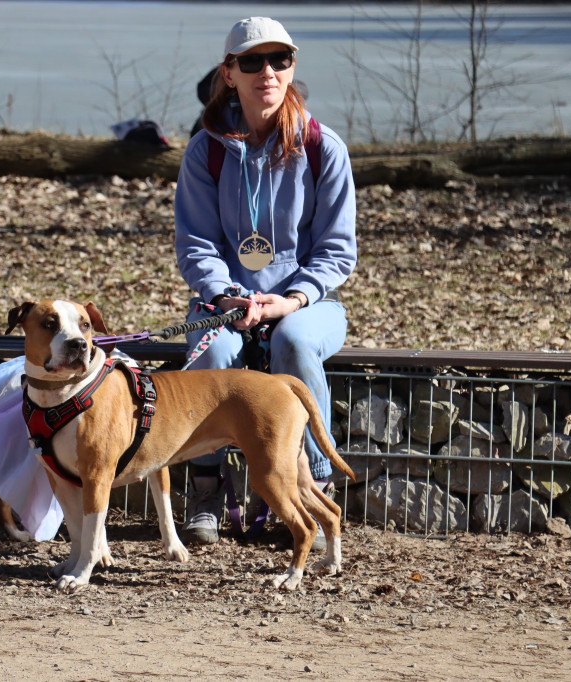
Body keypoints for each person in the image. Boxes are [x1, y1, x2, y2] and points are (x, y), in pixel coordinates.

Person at [173, 17, 357, 547]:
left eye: (280, 60)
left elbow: (337, 251)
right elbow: (196, 245)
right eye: (251, 61)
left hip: (308, 301)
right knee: (210, 352)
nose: (267, 72)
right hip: (227, 300)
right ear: (229, 73)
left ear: (292, 66)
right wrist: (224, 295)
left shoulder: (324, 148)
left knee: (295, 342)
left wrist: (291, 299)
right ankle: (207, 489)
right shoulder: (204, 151)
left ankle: (310, 488)